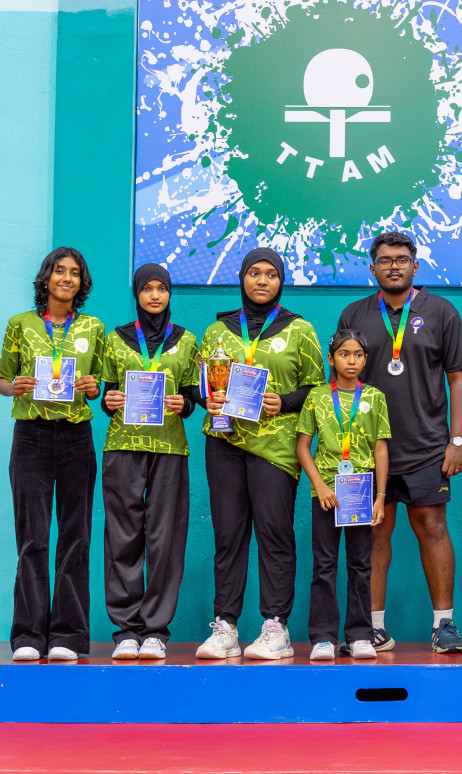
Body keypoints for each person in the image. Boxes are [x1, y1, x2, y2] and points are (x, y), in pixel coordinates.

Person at [337, 231, 462, 653]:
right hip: (364, 449)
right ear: (372, 268)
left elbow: (459, 377)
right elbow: (339, 380)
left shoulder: (441, 311)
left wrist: (457, 440)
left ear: (415, 266)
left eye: (401, 259)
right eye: (384, 260)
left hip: (426, 446)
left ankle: (444, 625)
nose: (393, 266)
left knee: (432, 527)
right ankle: (373, 627)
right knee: (374, 534)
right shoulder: (354, 314)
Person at [196, 248, 325, 661]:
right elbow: (203, 384)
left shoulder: (300, 330)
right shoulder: (217, 331)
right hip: (225, 442)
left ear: (281, 281)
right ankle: (226, 627)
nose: (262, 281)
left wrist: (283, 402)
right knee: (228, 536)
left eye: (271, 274)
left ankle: (275, 627)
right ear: (242, 278)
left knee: (274, 536)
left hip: (276, 448)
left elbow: (317, 389)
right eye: (254, 273)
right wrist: (207, 400)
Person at [0, 248, 104, 661]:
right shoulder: (19, 325)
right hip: (31, 438)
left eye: (74, 273)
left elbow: (100, 384)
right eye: (59, 271)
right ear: (45, 278)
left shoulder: (94, 328)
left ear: (82, 283)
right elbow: (2, 379)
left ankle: (68, 637)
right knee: (33, 538)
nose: (66, 278)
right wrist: (16, 386)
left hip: (77, 437)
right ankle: (27, 636)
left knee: (75, 538)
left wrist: (93, 388)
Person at [99, 264, 200, 660]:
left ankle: (156, 630)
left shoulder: (187, 341)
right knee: (123, 537)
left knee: (165, 539)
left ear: (170, 294)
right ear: (137, 293)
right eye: (147, 288)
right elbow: (107, 395)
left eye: (162, 289)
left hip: (170, 449)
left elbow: (194, 397)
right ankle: (126, 629)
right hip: (122, 446)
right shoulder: (116, 338)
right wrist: (109, 402)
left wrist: (184, 404)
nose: (155, 295)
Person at [295, 329, 390, 661]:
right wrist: (320, 485)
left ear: (366, 359)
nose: (352, 360)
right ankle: (323, 637)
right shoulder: (318, 396)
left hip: (361, 493)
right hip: (326, 494)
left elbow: (380, 449)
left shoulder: (375, 397)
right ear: (331, 358)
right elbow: (303, 447)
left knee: (361, 564)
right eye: (344, 354)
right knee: (323, 564)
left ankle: (361, 634)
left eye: (358, 354)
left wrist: (380, 496)